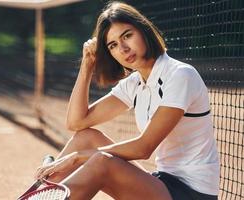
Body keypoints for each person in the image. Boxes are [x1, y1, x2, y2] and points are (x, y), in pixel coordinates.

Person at [35, 1, 220, 200]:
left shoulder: (180, 75)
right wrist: (87, 65)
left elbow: (143, 147)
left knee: (102, 161)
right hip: (162, 182)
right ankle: (39, 196)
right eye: (113, 45)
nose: (123, 48)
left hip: (191, 194)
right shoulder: (135, 82)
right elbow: (76, 123)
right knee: (86, 137)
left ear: (143, 31)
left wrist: (77, 158)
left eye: (127, 36)